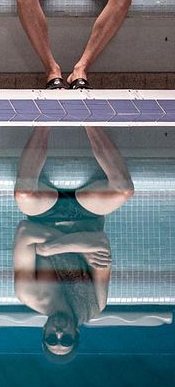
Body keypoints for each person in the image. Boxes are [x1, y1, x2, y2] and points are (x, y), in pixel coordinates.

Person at [13, 126, 134, 362]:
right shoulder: (94, 305)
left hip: (43, 214)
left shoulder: (29, 293)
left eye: (52, 339)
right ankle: (89, 119)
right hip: (88, 214)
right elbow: (102, 242)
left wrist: (81, 246)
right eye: (66, 340)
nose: (60, 333)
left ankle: (45, 119)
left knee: (24, 195)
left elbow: (24, 231)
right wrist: (50, 248)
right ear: (75, 333)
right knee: (124, 190)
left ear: (44, 332)